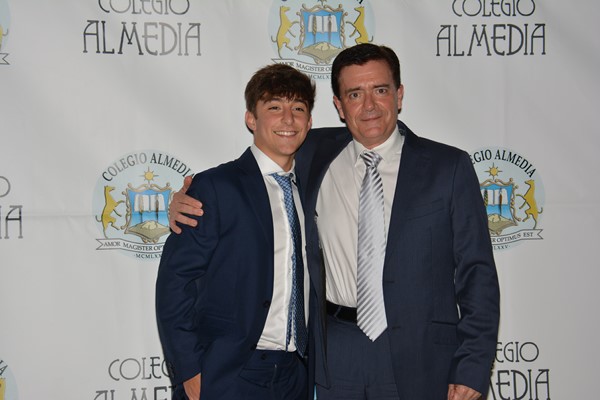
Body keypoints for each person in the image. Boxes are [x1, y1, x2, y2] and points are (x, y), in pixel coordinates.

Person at [169, 44, 500, 400]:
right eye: (355, 94)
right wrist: (188, 197)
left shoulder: (448, 167)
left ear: (399, 95)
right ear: (340, 106)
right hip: (335, 355)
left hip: (422, 354)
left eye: (380, 90)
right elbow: (257, 166)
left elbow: (477, 273)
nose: (369, 105)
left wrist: (473, 366)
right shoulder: (313, 151)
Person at [156, 63, 316, 400]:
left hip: (296, 374)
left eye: (298, 108)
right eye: (275, 107)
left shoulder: (315, 186)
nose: (288, 119)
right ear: (251, 119)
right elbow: (175, 282)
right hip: (229, 372)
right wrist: (189, 370)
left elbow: (371, 130)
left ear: (310, 122)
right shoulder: (216, 187)